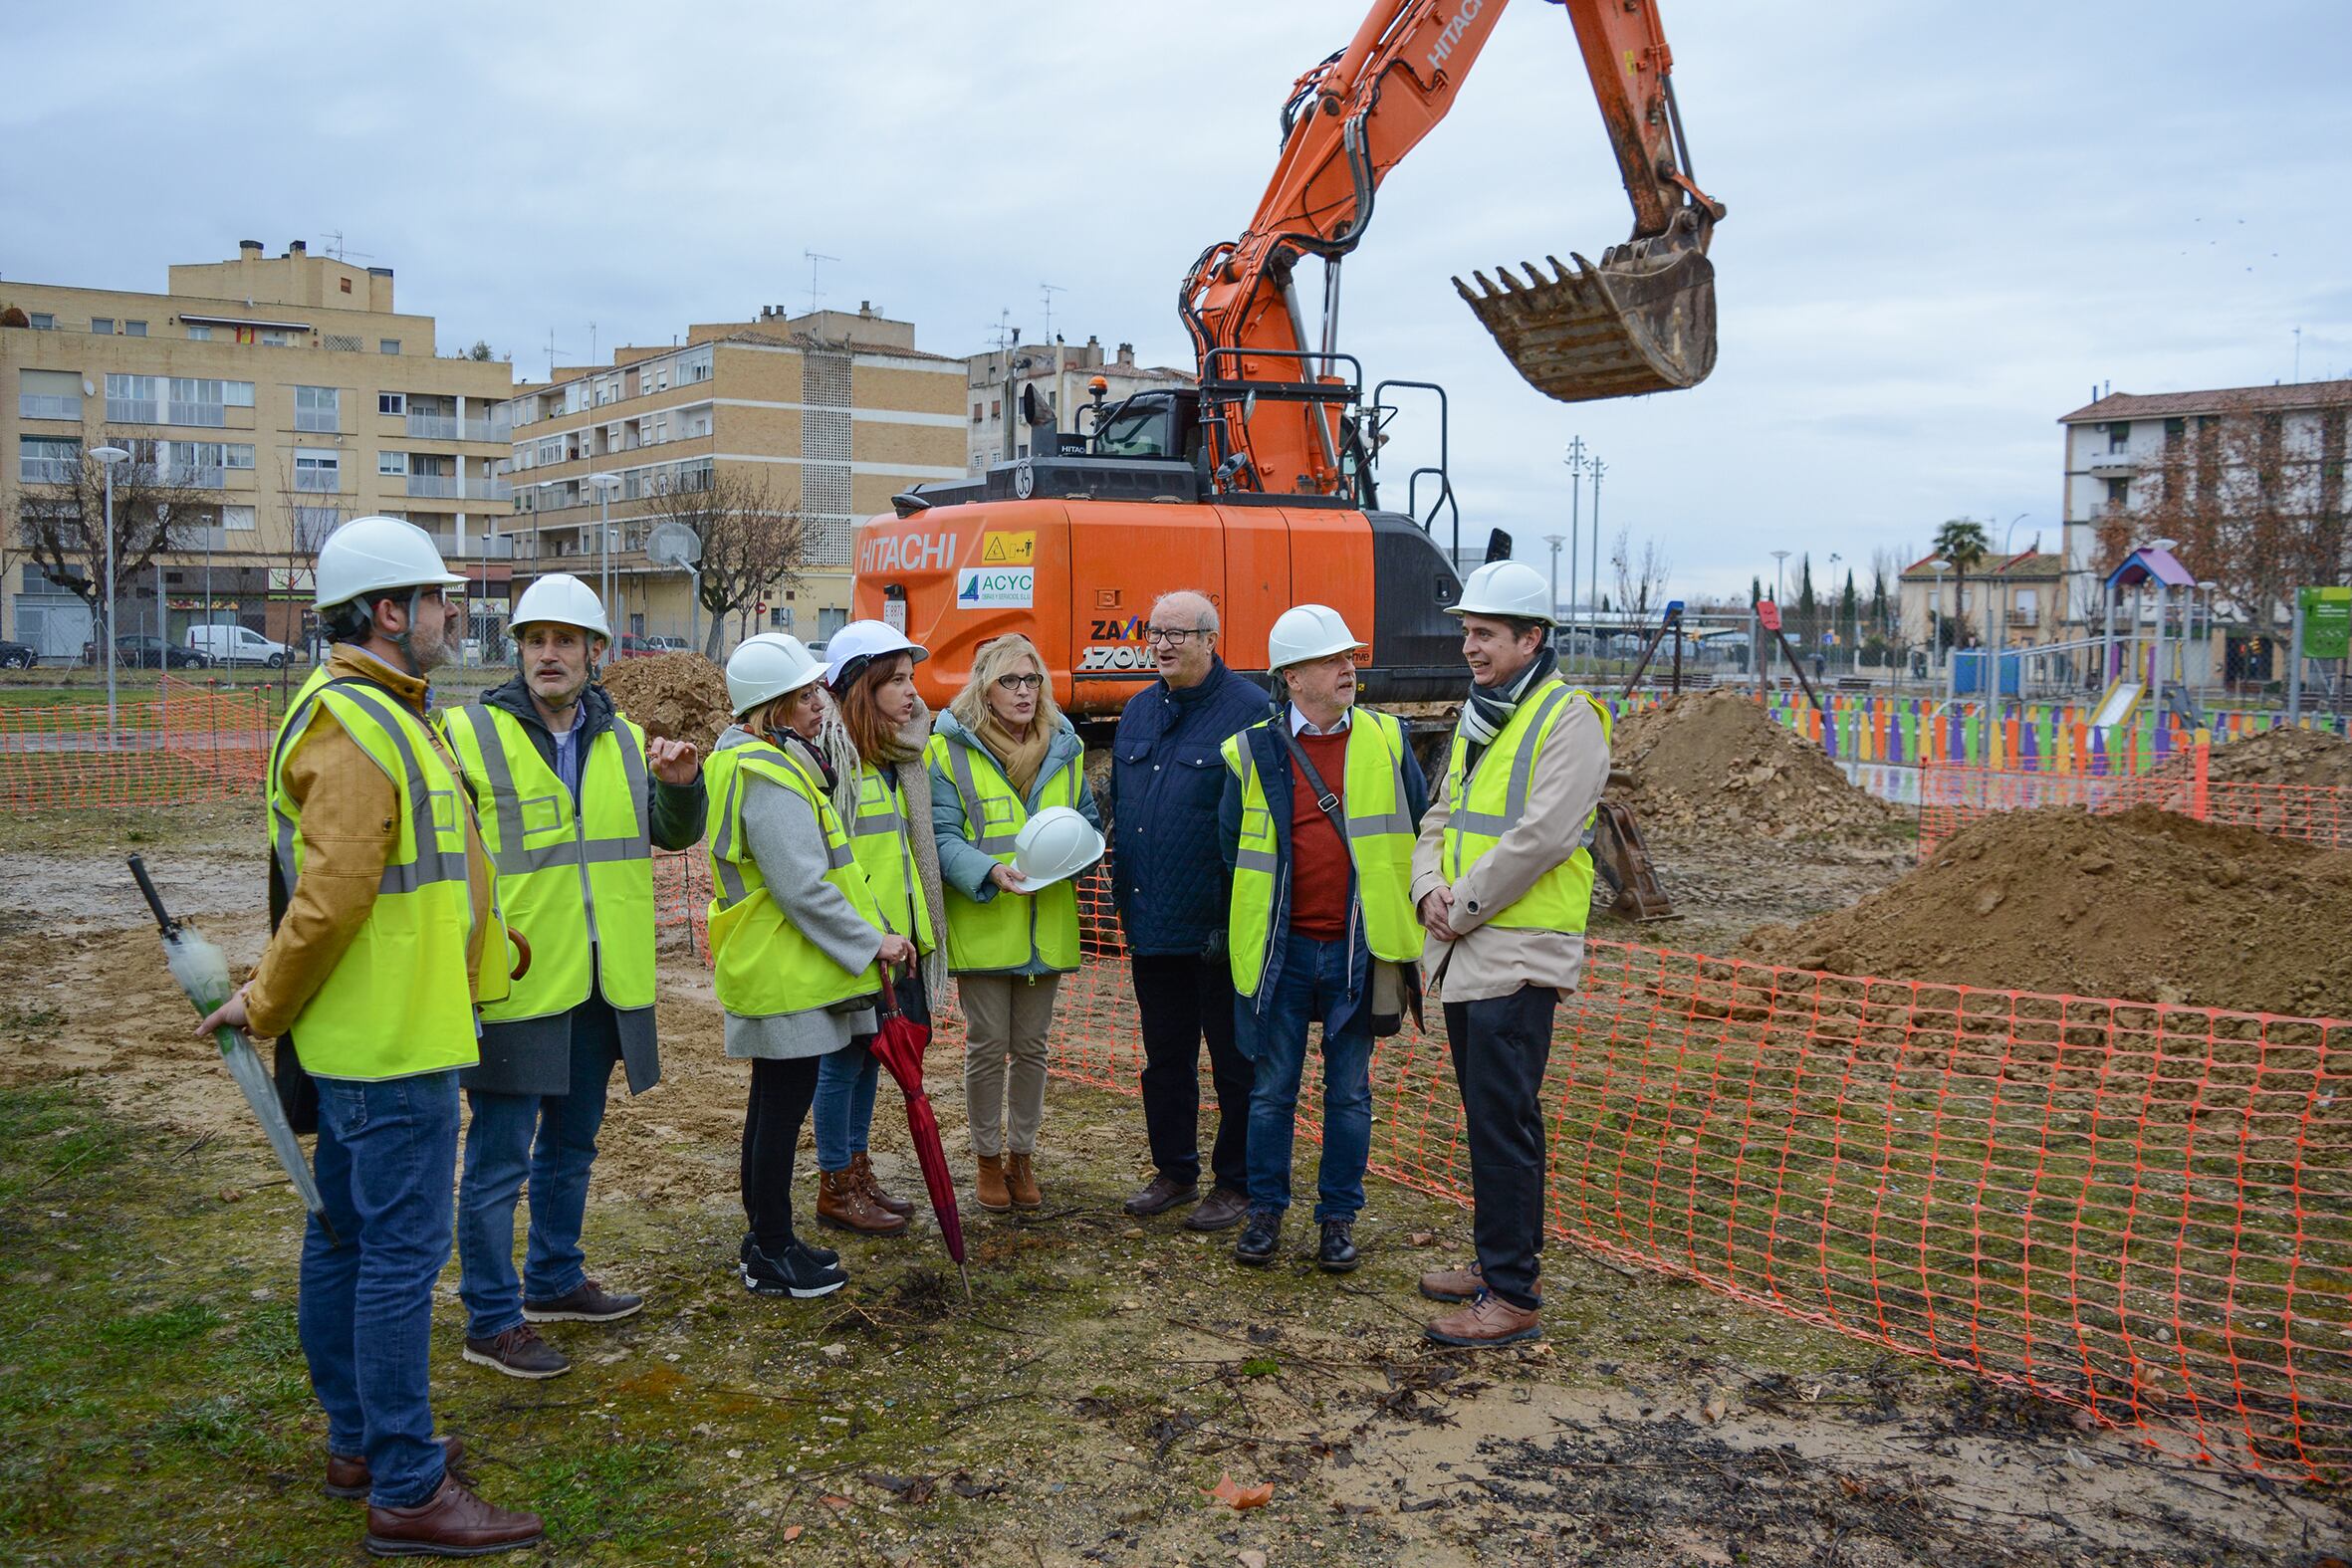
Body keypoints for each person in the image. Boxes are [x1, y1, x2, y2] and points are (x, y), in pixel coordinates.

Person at [196, 516, 541, 1557]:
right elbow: (335, 899)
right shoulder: (353, 723)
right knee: (392, 1259)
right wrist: (262, 1000)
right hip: (386, 1048)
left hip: (387, 1032)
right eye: (437, 599)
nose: (452, 613)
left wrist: (491, 945)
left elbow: (417, 873)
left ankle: (360, 1446)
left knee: (348, 1242)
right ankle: (404, 1482)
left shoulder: (386, 712)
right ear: (388, 613)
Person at [441, 573, 706, 1380]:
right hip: (515, 983)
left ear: (598, 652)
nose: (547, 654)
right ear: (517, 648)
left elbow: (668, 833)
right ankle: (490, 1317)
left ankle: (553, 1278)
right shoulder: (468, 734)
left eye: (564, 640)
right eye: (533, 639)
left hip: (601, 980)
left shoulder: (624, 740)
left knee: (572, 1145)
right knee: (498, 1159)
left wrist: (682, 786)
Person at [1411, 560, 1610, 1348]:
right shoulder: (1481, 715)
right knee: (1487, 1118)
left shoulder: (1569, 719)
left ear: (1532, 638)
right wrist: (1429, 886)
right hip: (1467, 948)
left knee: (1505, 1124)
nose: (1469, 645)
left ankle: (1512, 1295)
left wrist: (1458, 905)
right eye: (1467, 631)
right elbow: (1442, 813)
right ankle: (1498, 1263)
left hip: (1516, 952)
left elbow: (1543, 837)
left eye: (1485, 633)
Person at [706, 633, 916, 1298]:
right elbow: (803, 887)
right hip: (784, 971)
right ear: (771, 708)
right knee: (779, 1113)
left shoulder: (752, 761)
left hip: (772, 964)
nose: (819, 704)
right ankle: (771, 1248)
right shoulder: (767, 774)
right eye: (803, 695)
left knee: (770, 1109)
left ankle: (766, 1239)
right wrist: (870, 941)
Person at [1218, 605, 1427, 1272]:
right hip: (1281, 949)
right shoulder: (1252, 751)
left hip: (1359, 950)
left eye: (1350, 657)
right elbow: (1232, 847)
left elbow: (1419, 829)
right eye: (1332, 659)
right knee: (1272, 1090)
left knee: (1349, 1094)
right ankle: (1265, 1213)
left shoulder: (1389, 741)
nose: (1349, 668)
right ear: (1292, 676)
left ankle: (1337, 1217)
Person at [1109, 589, 1272, 1232]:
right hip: (1152, 926)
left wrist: (1235, 922)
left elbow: (1262, 829)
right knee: (1165, 1059)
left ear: (1212, 638)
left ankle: (1237, 1183)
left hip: (1220, 931)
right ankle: (1175, 1171)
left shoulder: (1252, 713)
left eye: (1179, 633)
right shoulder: (1137, 713)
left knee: (1235, 1064)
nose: (1164, 644)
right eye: (1155, 633)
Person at [927, 633, 1102, 1212]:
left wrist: (1081, 853)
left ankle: (1021, 1158)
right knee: (986, 1046)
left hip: (1046, 924)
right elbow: (941, 837)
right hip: (986, 923)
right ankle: (985, 1160)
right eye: (1010, 681)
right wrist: (988, 870)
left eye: (1032, 681)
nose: (1024, 692)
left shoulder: (1067, 747)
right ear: (985, 687)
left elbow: (1088, 823)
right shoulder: (950, 750)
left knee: (1032, 1048)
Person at [809, 621, 949, 1236]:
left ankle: (858, 1171)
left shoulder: (898, 760)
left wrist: (913, 936)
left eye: (911, 679)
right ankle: (835, 1182)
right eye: (894, 681)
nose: (910, 693)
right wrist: (872, 935)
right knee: (843, 1064)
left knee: (872, 1061)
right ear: (859, 688)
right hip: (858, 945)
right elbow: (835, 869)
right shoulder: (832, 766)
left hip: (897, 947)